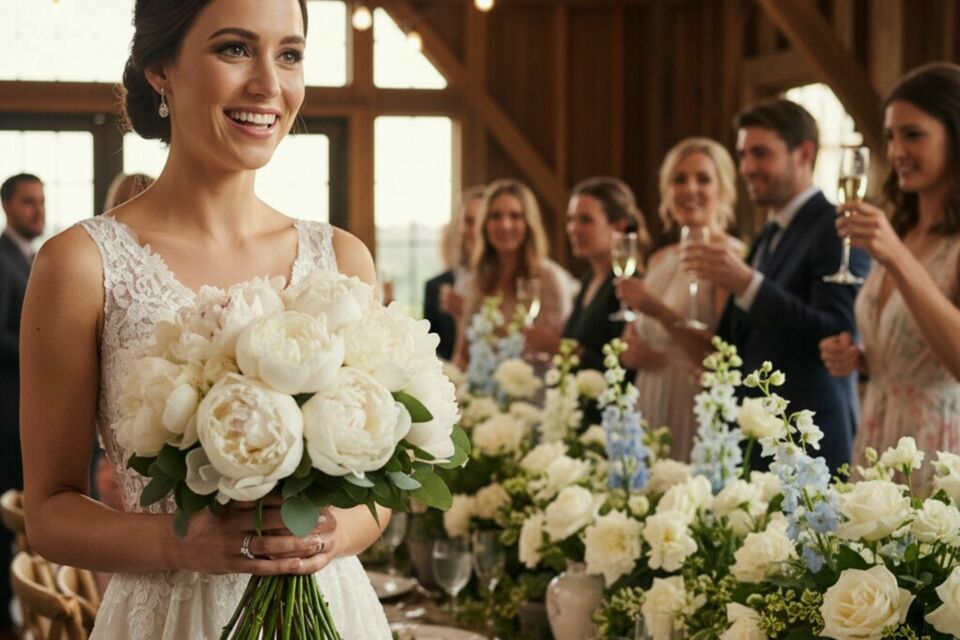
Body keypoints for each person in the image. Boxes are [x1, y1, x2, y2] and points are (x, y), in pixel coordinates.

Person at [19, 2, 392, 638]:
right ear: (160, 68)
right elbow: (48, 514)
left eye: (289, 55)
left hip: (334, 611)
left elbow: (378, 494)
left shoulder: (343, 259)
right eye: (234, 49)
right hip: (169, 618)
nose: (269, 85)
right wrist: (178, 542)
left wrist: (327, 537)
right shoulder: (79, 265)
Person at [684, 99, 870, 474]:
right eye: (743, 155)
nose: (747, 168)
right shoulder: (768, 234)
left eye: (761, 154)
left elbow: (837, 330)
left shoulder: (835, 226)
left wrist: (747, 284)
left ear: (804, 154)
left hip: (809, 436)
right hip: (760, 435)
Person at [820, 63, 960, 481]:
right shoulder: (902, 231)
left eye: (912, 134)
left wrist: (898, 258)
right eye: (890, 136)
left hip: (938, 449)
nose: (896, 151)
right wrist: (861, 357)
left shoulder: (917, 247)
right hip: (876, 435)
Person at [615, 138, 743, 461]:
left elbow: (719, 354)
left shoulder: (729, 257)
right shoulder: (660, 258)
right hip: (649, 396)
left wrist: (658, 310)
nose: (690, 189)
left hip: (692, 401)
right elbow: (634, 337)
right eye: (679, 179)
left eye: (703, 179)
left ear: (723, 189)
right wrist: (630, 351)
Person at [524, 176, 647, 374]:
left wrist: (557, 347)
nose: (573, 228)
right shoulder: (588, 279)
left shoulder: (630, 288)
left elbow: (625, 372)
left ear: (619, 227)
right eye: (571, 219)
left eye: (585, 220)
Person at [453, 178, 573, 368]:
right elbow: (463, 353)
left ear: (528, 223)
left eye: (515, 216)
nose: (505, 225)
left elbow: (560, 351)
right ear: (485, 224)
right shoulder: (477, 279)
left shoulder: (550, 278)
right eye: (495, 216)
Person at [0, 172, 44, 635]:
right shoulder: (2, 259)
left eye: (41, 201)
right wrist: (44, 345)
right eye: (29, 202)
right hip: (7, 416)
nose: (39, 210)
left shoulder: (27, 257)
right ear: (7, 206)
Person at [422, 186, 484, 360]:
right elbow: (431, 353)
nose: (475, 230)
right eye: (469, 221)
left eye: (482, 221)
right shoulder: (435, 287)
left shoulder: (513, 284)